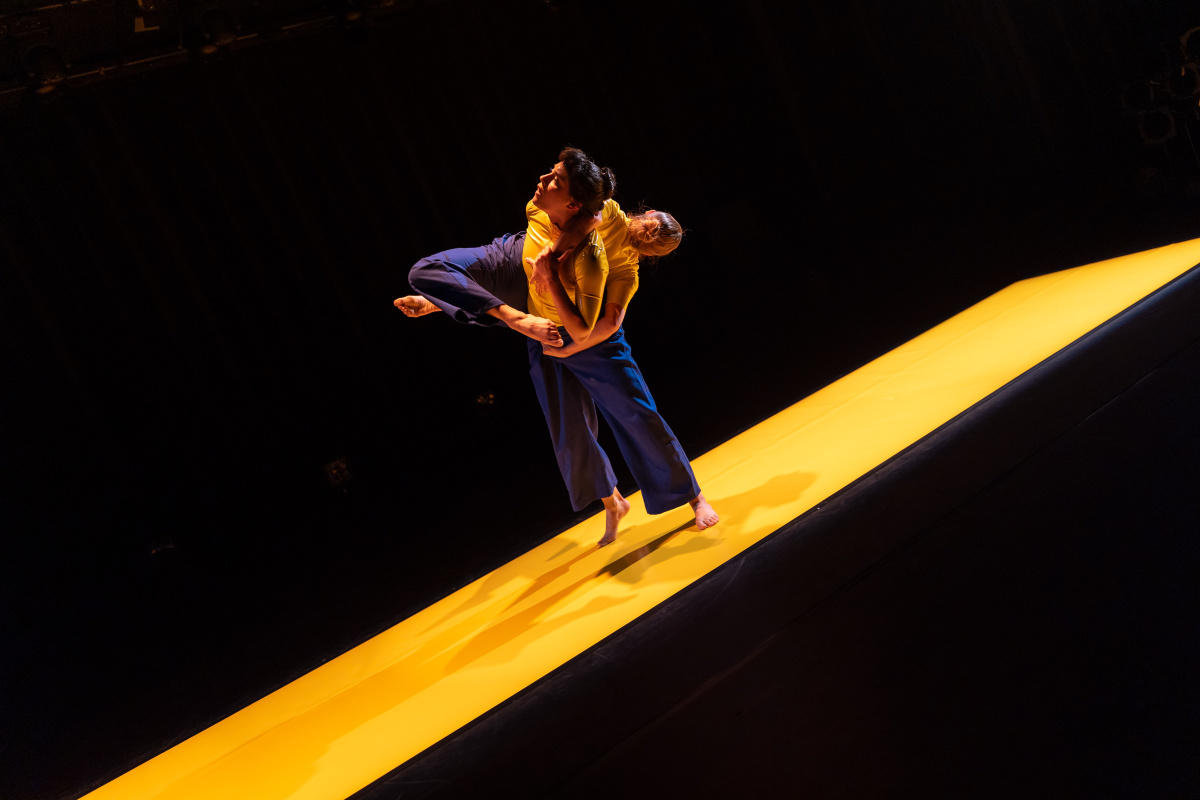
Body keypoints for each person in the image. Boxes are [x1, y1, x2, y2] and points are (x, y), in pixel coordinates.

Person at [396, 148, 718, 545]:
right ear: (645, 212)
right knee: (568, 426)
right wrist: (552, 253)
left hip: (587, 335)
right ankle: (613, 502)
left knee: (635, 411)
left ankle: (694, 497)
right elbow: (586, 218)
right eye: (651, 224)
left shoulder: (626, 267)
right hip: (542, 316)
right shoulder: (606, 211)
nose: (646, 231)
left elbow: (609, 323)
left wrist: (570, 347)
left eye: (653, 237)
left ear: (652, 252)